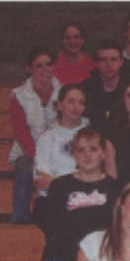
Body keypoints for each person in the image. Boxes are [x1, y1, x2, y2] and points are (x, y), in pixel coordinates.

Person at [31, 127, 121, 261]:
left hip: (102, 256)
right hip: (63, 254)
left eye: (93, 149)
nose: (87, 155)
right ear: (74, 154)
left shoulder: (114, 188)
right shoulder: (60, 186)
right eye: (81, 150)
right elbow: (53, 227)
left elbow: (117, 229)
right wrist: (73, 256)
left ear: (103, 154)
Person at [8, 47, 61, 223]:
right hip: (28, 151)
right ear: (29, 68)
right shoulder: (18, 95)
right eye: (39, 66)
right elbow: (21, 131)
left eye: (48, 64)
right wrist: (37, 158)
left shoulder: (63, 91)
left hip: (57, 149)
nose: (45, 69)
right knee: (27, 170)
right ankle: (20, 217)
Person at [33, 83, 90, 227]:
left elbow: (92, 176)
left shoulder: (92, 136)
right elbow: (42, 181)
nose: (76, 107)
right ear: (59, 105)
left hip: (87, 201)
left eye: (81, 102)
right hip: (55, 203)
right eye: (71, 101)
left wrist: (57, 183)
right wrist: (73, 184)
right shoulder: (46, 139)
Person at [82, 39, 125, 137]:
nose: (109, 65)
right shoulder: (85, 89)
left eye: (114, 59)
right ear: (96, 63)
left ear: (121, 62)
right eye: (103, 60)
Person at [53, 21, 96, 85]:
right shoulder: (53, 66)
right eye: (68, 37)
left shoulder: (93, 66)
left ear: (83, 40)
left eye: (76, 37)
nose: (72, 41)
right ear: (62, 41)